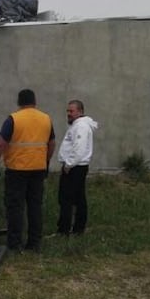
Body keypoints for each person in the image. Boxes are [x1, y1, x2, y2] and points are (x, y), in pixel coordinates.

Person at [0, 89, 55, 252]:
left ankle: (15, 244)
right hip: (38, 169)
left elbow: (0, 144)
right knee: (35, 206)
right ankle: (34, 243)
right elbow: (52, 143)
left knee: (15, 207)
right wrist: (46, 160)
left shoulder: (13, 119)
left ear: (19, 102)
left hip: (17, 170)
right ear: (35, 101)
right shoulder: (46, 119)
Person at [56, 100, 99, 236]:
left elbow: (78, 148)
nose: (68, 114)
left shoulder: (81, 126)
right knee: (79, 197)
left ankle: (65, 230)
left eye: (71, 111)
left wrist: (68, 164)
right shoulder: (77, 125)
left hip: (75, 167)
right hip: (76, 166)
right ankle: (78, 228)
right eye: (67, 111)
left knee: (66, 198)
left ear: (80, 112)